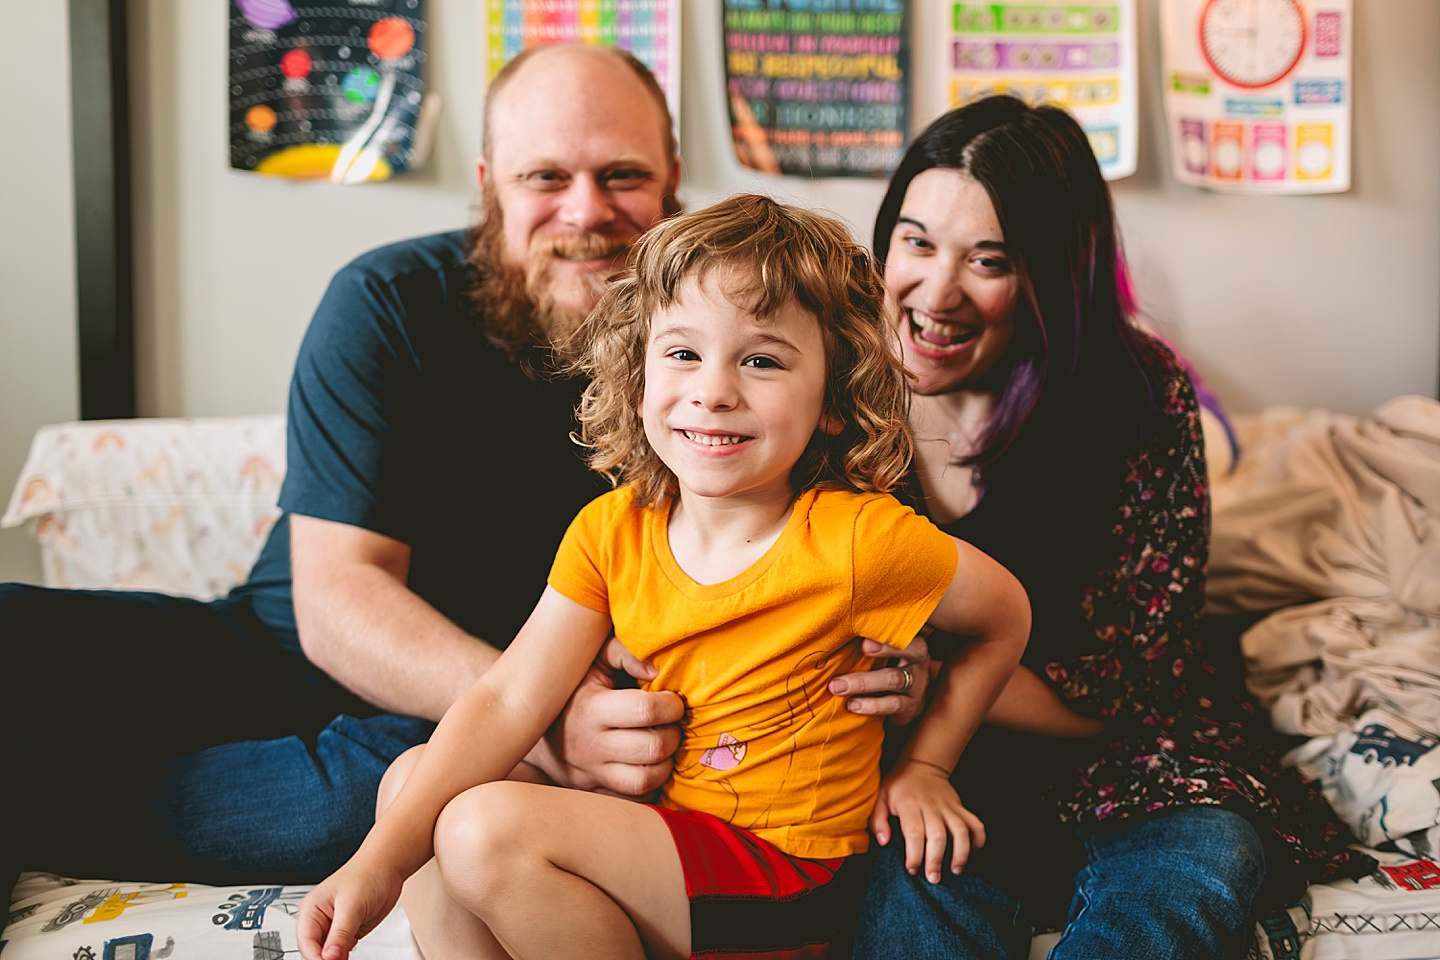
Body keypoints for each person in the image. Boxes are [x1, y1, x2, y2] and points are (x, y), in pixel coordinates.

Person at [5, 45, 922, 897]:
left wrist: (896, 660)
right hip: (289, 657)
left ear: (672, 184)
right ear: (488, 188)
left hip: (470, 731)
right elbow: (334, 601)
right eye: (544, 178)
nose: (586, 209)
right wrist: (545, 715)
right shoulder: (389, 303)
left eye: (623, 176)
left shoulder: (737, 365)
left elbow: (841, 551)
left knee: (398, 795)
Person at [294, 194, 1032, 960]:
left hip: (786, 876)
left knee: (484, 830)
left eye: (762, 359)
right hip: (662, 833)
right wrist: (377, 861)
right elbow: (509, 696)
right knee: (410, 784)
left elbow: (1005, 616)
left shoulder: (860, 539)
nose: (714, 389)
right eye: (682, 353)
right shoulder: (611, 529)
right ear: (638, 376)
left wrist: (927, 766)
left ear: (832, 402)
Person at [851, 95, 1373, 960]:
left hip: (1135, 759)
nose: (935, 292)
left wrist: (932, 684)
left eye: (990, 259)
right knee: (909, 892)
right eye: (915, 240)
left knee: (1197, 869)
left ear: (1051, 275)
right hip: (932, 770)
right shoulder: (832, 390)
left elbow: (1136, 679)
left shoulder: (1135, 398)